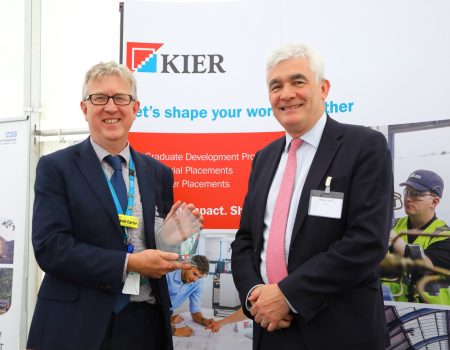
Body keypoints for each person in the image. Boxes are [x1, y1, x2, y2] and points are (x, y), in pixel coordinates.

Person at [27, 61, 202, 350]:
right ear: (85, 108)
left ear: (135, 108)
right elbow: (51, 248)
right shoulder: (56, 167)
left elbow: (154, 250)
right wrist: (128, 263)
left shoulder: (158, 173)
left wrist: (171, 241)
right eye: (99, 98)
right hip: (76, 324)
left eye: (121, 98)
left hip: (144, 324)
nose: (111, 107)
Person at [231, 43, 393, 350]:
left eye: (298, 81)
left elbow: (366, 241)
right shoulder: (263, 158)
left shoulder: (364, 146)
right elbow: (246, 240)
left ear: (323, 88)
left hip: (340, 331)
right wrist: (256, 295)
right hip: (271, 330)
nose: (286, 93)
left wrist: (287, 296)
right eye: (275, 86)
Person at [386, 169, 450, 304]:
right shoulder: (394, 226)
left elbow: (423, 265)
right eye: (407, 192)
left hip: (431, 312)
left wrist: (388, 234)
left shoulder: (444, 236)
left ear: (435, 202)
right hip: (392, 307)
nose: (408, 198)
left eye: (416, 194)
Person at [166, 255, 213, 337]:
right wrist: (173, 331)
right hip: (149, 311)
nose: (195, 280)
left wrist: (204, 321)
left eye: (199, 277)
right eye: (194, 274)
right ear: (186, 265)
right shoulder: (168, 272)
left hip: (166, 313)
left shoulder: (198, 282)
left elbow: (195, 311)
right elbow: (150, 306)